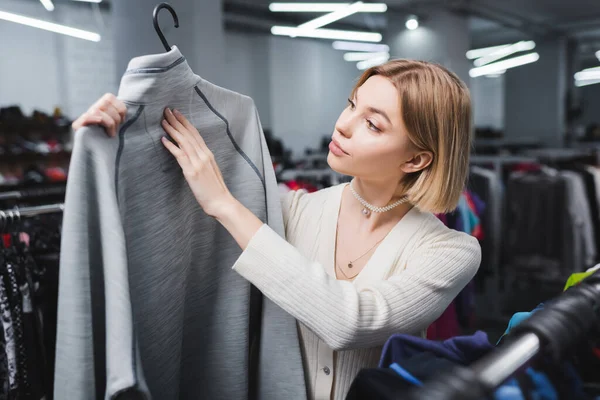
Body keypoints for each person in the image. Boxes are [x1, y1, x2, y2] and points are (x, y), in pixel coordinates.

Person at [72, 59, 481, 400]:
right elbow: (165, 212)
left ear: (416, 160)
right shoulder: (292, 207)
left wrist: (225, 204)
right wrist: (105, 144)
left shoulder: (450, 250)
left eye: (372, 124)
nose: (342, 125)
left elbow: (351, 322)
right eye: (351, 105)